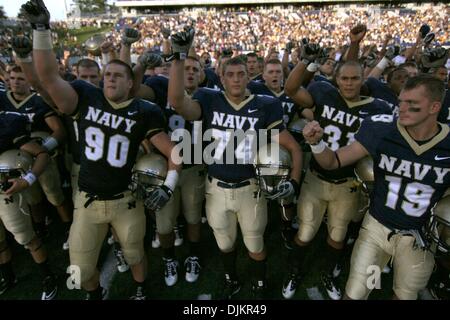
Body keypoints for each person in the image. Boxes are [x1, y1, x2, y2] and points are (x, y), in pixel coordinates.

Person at [21, 0, 180, 300]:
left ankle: (141, 289)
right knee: (79, 267)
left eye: (118, 75)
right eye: (107, 74)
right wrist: (41, 29)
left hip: (125, 200)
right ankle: (94, 294)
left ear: (132, 82)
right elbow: (48, 78)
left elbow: (175, 152)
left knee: (135, 255)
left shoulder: (143, 110)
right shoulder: (86, 97)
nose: (110, 79)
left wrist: (169, 187)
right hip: (87, 200)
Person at [168, 27, 302, 299]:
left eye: (242, 73)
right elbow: (177, 101)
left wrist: (295, 183)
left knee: (255, 243)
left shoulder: (265, 105)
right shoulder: (209, 98)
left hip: (250, 187)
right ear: (221, 77)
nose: (237, 79)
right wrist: (179, 58)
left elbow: (293, 148)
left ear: (250, 75)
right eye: (230, 74)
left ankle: (260, 283)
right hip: (215, 187)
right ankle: (231, 278)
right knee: (225, 242)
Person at [302, 74, 450, 300]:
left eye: (413, 104)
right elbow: (333, 161)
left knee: (404, 294)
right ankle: (374, 285)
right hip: (378, 229)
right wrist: (317, 143)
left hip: (419, 237)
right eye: (401, 101)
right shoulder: (383, 130)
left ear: (434, 107)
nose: (402, 108)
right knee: (360, 290)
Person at [284, 47, 392, 299]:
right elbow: (290, 89)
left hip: (348, 182)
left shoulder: (377, 109)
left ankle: (328, 272)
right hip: (316, 177)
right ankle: (294, 270)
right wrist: (306, 61)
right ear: (336, 79)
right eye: (344, 78)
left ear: (364, 78)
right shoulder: (324, 94)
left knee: (338, 234)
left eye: (355, 78)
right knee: (306, 231)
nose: (349, 83)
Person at [0, 111, 57, 300]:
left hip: (4, 191)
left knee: (26, 237)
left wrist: (27, 180)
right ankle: (8, 277)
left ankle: (48, 276)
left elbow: (41, 153)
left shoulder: (6, 125)